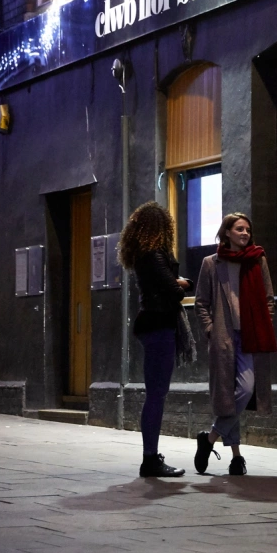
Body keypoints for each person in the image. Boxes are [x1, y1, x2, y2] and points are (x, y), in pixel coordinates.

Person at [194, 213, 277, 476]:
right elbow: (201, 303)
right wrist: (211, 331)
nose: (245, 234)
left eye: (248, 230)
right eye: (239, 229)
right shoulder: (211, 263)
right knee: (229, 396)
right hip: (224, 337)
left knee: (244, 390)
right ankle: (237, 457)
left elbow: (268, 298)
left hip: (251, 337)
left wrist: (264, 323)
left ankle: (209, 439)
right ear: (227, 232)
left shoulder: (257, 259)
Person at [118, 201, 193, 478]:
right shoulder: (154, 254)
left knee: (155, 394)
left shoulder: (143, 254)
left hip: (151, 322)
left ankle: (151, 456)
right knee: (156, 395)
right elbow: (173, 292)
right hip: (159, 324)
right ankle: (150, 458)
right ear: (162, 228)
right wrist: (183, 284)